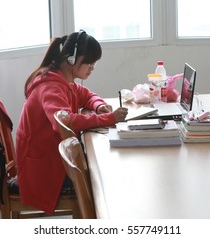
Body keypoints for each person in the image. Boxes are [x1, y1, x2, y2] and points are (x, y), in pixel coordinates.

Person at [16, 30, 128, 214]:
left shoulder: (62, 80)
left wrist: (98, 105)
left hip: (48, 158)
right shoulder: (50, 86)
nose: (92, 67)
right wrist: (109, 118)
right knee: (99, 180)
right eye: (89, 62)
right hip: (41, 170)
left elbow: (85, 94)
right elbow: (65, 122)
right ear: (71, 59)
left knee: (99, 172)